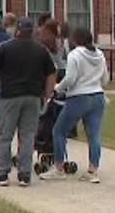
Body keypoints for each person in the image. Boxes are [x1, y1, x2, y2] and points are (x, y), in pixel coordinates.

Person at [0, 17, 56, 187]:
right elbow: (51, 74)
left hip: (9, 96)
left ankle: (1, 173)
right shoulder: (41, 50)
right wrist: (47, 93)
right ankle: (24, 174)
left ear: (17, 30)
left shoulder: (5, 48)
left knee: (4, 135)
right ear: (32, 32)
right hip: (32, 97)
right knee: (28, 136)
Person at [40, 27, 108, 183]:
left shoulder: (75, 55)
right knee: (93, 134)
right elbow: (105, 79)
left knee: (59, 130)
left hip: (79, 97)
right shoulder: (99, 54)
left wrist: (57, 87)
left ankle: (58, 168)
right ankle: (93, 170)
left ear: (76, 39)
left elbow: (70, 78)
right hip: (97, 96)